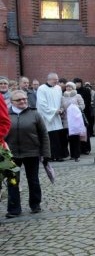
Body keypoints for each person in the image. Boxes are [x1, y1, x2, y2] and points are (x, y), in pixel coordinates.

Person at [5, 90, 50, 218]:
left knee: (33, 180)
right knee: (13, 181)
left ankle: (35, 205)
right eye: (19, 100)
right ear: (12, 102)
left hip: (31, 152)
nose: (23, 101)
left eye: (24, 99)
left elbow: (44, 134)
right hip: (11, 154)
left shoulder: (34, 114)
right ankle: (14, 209)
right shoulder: (5, 114)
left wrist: (46, 153)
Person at [37, 73, 66, 161]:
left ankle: (59, 155)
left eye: (57, 79)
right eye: (55, 79)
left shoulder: (58, 88)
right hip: (46, 117)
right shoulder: (41, 89)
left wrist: (61, 109)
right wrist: (54, 111)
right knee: (49, 138)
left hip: (56, 117)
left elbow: (61, 100)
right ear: (48, 79)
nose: (57, 81)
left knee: (58, 137)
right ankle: (49, 156)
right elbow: (42, 104)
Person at [62, 81, 86, 162]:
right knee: (70, 138)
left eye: (70, 87)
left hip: (75, 119)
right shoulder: (63, 97)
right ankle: (72, 155)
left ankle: (77, 155)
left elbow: (82, 105)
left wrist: (75, 108)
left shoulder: (77, 95)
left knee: (76, 138)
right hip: (66, 120)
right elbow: (62, 106)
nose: (68, 88)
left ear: (73, 88)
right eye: (67, 87)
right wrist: (61, 110)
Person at [73, 78, 92, 154]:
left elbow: (87, 103)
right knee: (78, 132)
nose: (77, 84)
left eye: (79, 83)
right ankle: (79, 148)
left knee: (85, 132)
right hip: (75, 115)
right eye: (76, 83)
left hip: (84, 114)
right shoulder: (73, 92)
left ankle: (86, 148)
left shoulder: (86, 91)